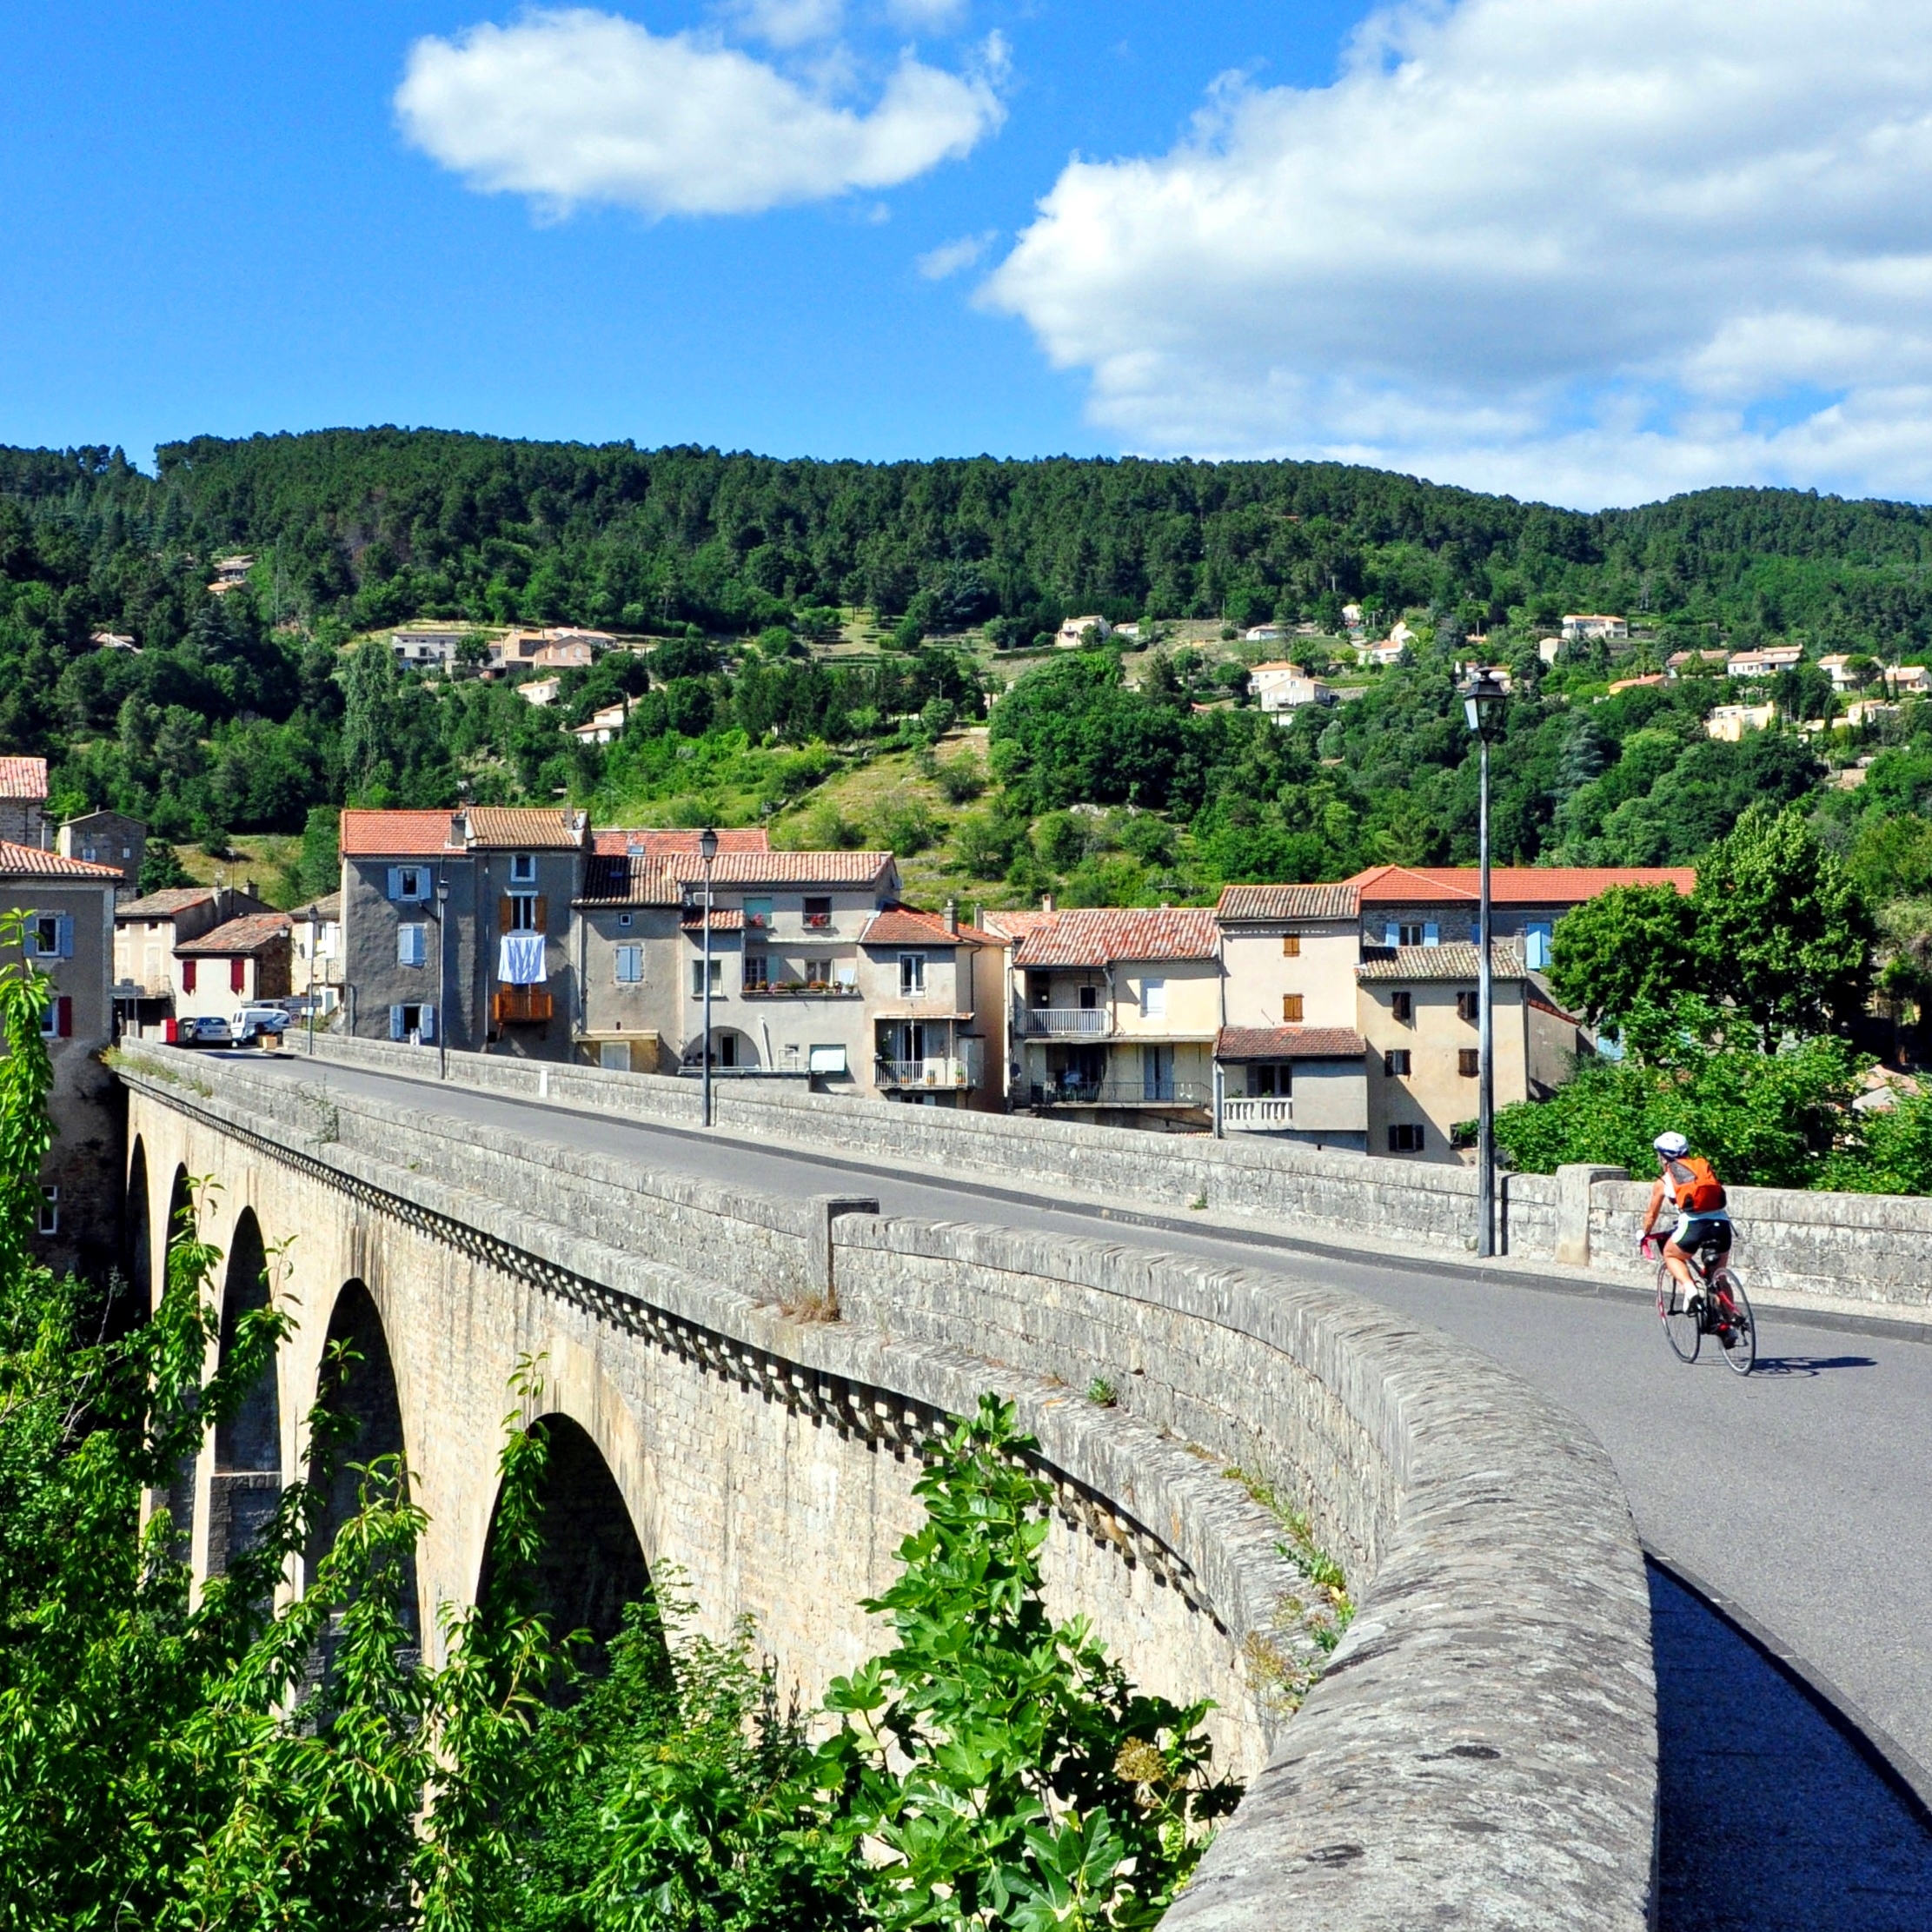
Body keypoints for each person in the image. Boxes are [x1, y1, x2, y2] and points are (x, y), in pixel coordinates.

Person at [1639, 1131, 1730, 1305]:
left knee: (1671, 1254)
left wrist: (1644, 1233)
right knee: (1719, 1276)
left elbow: (1651, 1214)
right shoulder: (1702, 1169)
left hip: (1694, 1226)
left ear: (1663, 1157)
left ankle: (1690, 1288)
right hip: (1722, 1225)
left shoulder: (1665, 1180)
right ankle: (1731, 1323)